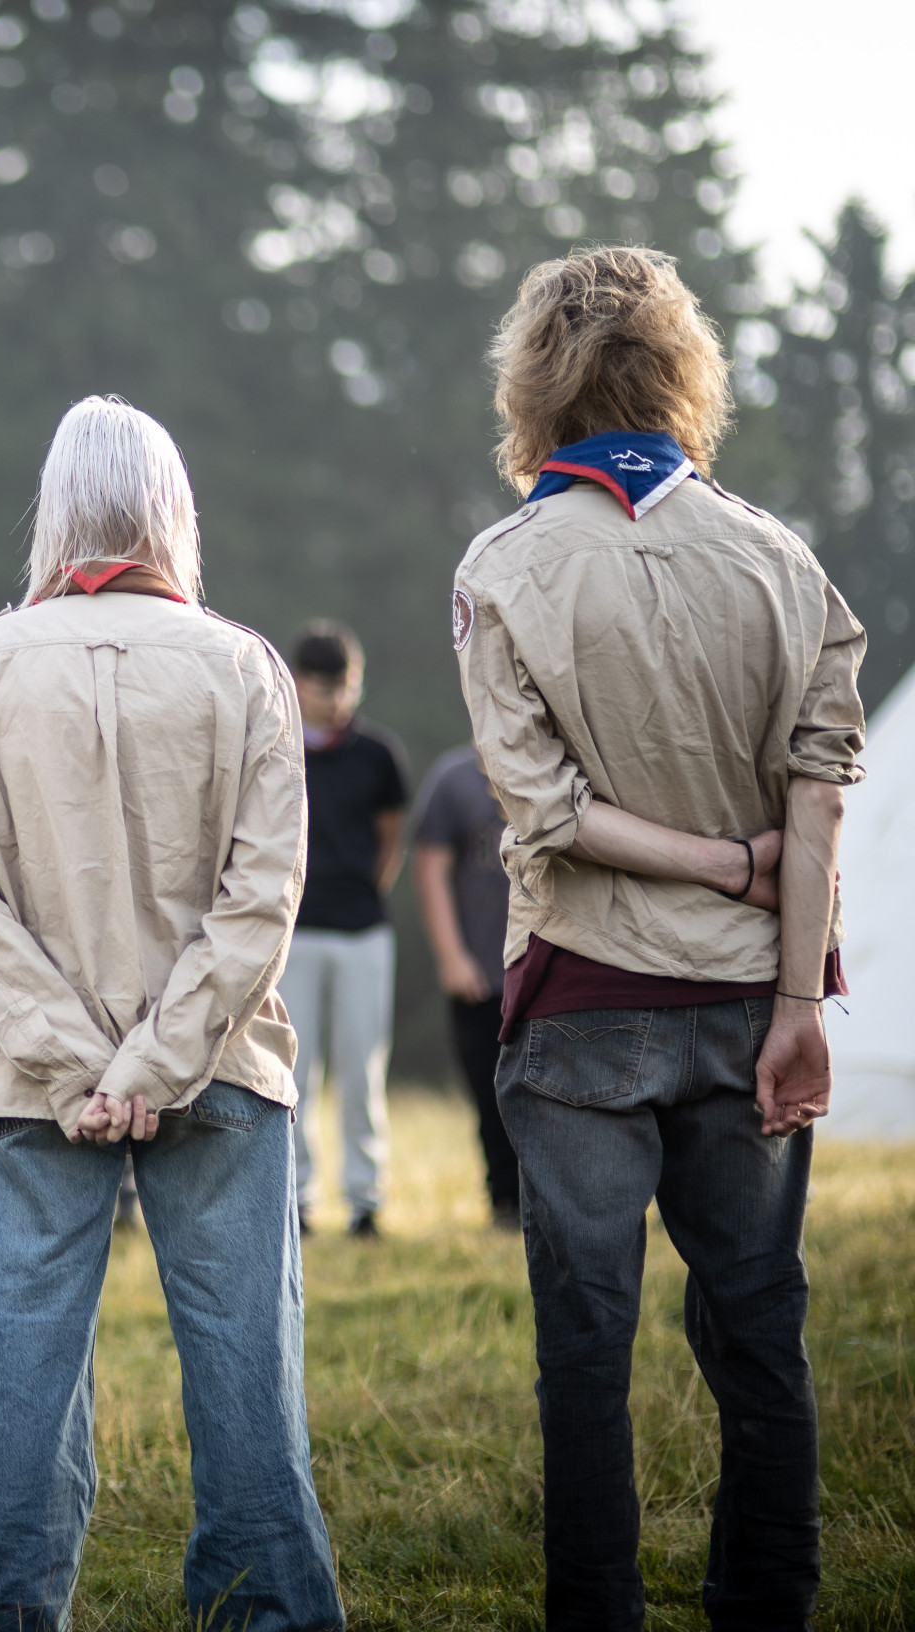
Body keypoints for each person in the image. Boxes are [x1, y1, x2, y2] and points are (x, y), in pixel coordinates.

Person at [459, 246, 863, 1630]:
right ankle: (773, 1606)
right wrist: (795, 985)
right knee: (761, 1330)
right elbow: (818, 800)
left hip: (581, 1006)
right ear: (685, 374)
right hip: (756, 998)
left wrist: (703, 867)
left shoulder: (504, 564)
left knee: (586, 1345)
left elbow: (543, 810)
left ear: (535, 383)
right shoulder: (783, 560)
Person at [0, 397, 341, 1632]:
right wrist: (152, 1066)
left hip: (27, 1084)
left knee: (19, 1396)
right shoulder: (245, 665)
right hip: (218, 1069)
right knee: (248, 1391)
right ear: (173, 509)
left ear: (55, 508)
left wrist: (77, 1062)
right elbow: (262, 898)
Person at [276, 619, 408, 1237]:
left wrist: (360, 894)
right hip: (292, 934)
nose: (336, 699)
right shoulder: (274, 749)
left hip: (362, 932)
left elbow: (391, 843)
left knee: (362, 1068)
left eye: (346, 686)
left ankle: (365, 1200)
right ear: (297, 686)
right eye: (324, 687)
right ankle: (297, 1200)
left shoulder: (378, 756)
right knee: (293, 1071)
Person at [409, 745, 520, 1229]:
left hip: (539, 973)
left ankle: (550, 1206)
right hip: (480, 976)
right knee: (489, 1096)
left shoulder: (553, 772)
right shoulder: (452, 779)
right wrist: (452, 957)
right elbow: (429, 869)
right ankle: (505, 1207)